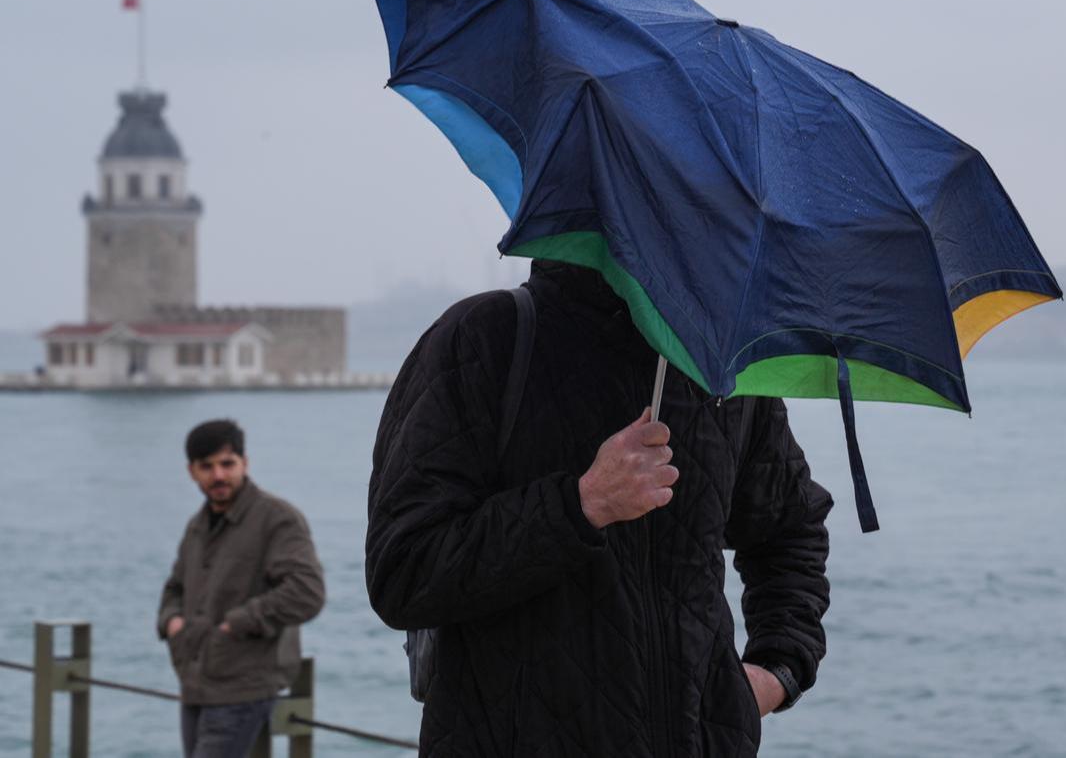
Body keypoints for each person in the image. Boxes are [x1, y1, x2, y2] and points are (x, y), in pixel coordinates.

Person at [366, 261, 833, 757]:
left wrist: (778, 669)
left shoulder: (722, 366)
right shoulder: (484, 338)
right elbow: (403, 571)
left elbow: (791, 529)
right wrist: (580, 505)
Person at [158, 419, 326, 758]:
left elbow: (307, 592)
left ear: (244, 464)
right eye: (207, 467)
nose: (218, 475)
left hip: (243, 685)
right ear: (192, 471)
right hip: (196, 681)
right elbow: (175, 586)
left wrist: (236, 624)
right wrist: (172, 623)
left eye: (227, 464)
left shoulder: (277, 518)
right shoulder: (198, 524)